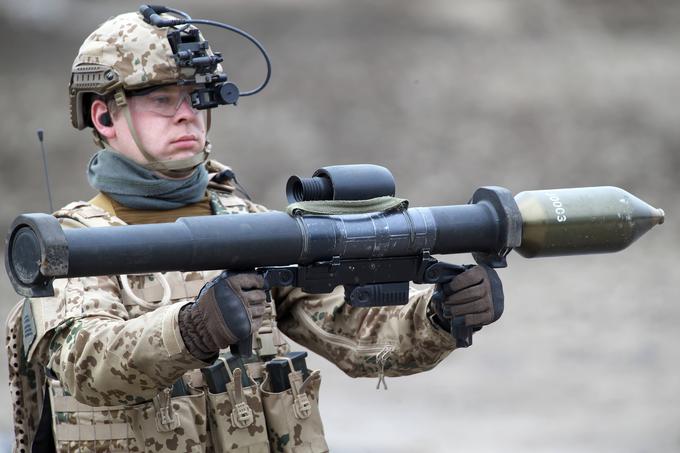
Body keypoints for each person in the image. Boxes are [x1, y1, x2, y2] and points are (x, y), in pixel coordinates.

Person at [6, 8, 504, 453]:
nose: (186, 114)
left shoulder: (248, 223)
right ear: (104, 116)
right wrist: (191, 329)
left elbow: (353, 334)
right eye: (161, 99)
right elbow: (88, 367)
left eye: (196, 97)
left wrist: (438, 316)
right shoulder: (75, 243)